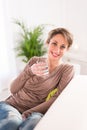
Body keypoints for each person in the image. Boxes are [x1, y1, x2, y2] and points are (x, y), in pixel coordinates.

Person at [0, 27, 75, 130]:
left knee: (31, 125)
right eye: (54, 43)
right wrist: (29, 71)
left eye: (62, 47)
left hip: (36, 112)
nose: (57, 50)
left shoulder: (67, 69)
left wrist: (27, 113)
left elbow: (56, 98)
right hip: (12, 106)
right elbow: (13, 90)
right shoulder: (34, 61)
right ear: (48, 43)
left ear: (67, 49)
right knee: (12, 122)